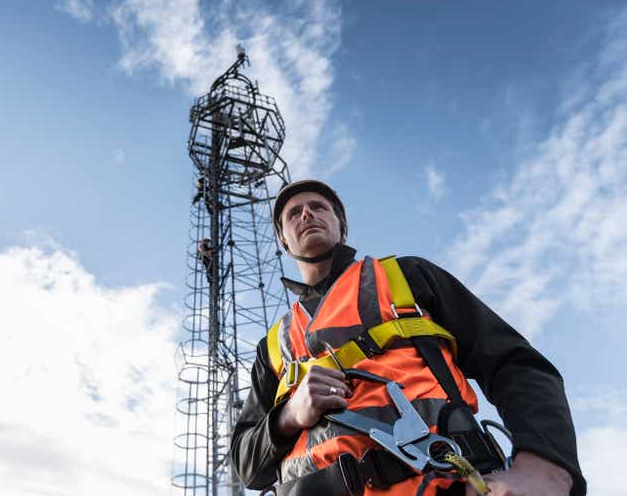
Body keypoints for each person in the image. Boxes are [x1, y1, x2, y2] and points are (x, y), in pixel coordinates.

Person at [230, 180, 585, 496]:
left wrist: (546, 466)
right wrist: (289, 415)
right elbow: (248, 467)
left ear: (342, 225)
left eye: (318, 207)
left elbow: (514, 363)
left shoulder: (406, 276)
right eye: (293, 214)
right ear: (282, 239)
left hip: (439, 481)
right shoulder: (273, 347)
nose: (306, 214)